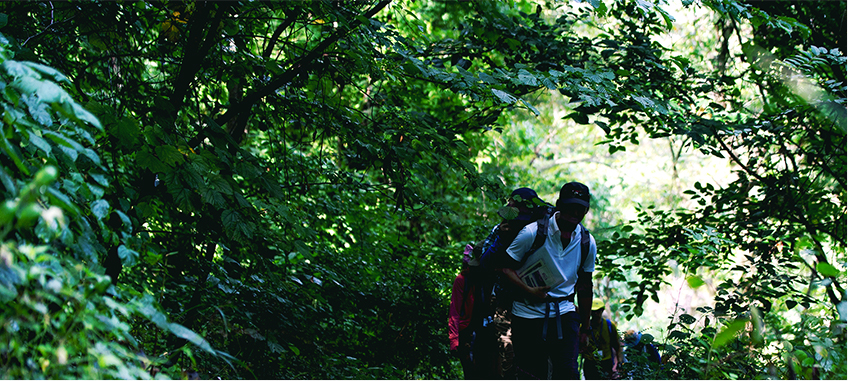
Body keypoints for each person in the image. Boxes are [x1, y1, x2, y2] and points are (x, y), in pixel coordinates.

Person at [501, 182, 598, 379]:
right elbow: (505, 267)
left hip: (564, 313)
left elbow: (585, 286)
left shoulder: (587, 242)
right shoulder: (532, 233)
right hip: (527, 315)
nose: (575, 211)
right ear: (559, 205)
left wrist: (585, 329)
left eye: (580, 207)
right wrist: (528, 290)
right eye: (570, 206)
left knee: (568, 373)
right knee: (532, 374)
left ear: (586, 210)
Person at [448, 242, 487, 379]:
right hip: (467, 333)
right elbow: (455, 311)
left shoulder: (487, 278)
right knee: (470, 373)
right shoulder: (462, 280)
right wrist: (454, 340)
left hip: (485, 330)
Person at [582, 299, 624, 379]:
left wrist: (620, 362)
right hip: (590, 363)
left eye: (598, 311)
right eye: (593, 311)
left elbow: (617, 346)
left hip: (606, 362)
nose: (596, 314)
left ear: (602, 311)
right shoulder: (584, 327)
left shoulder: (609, 326)